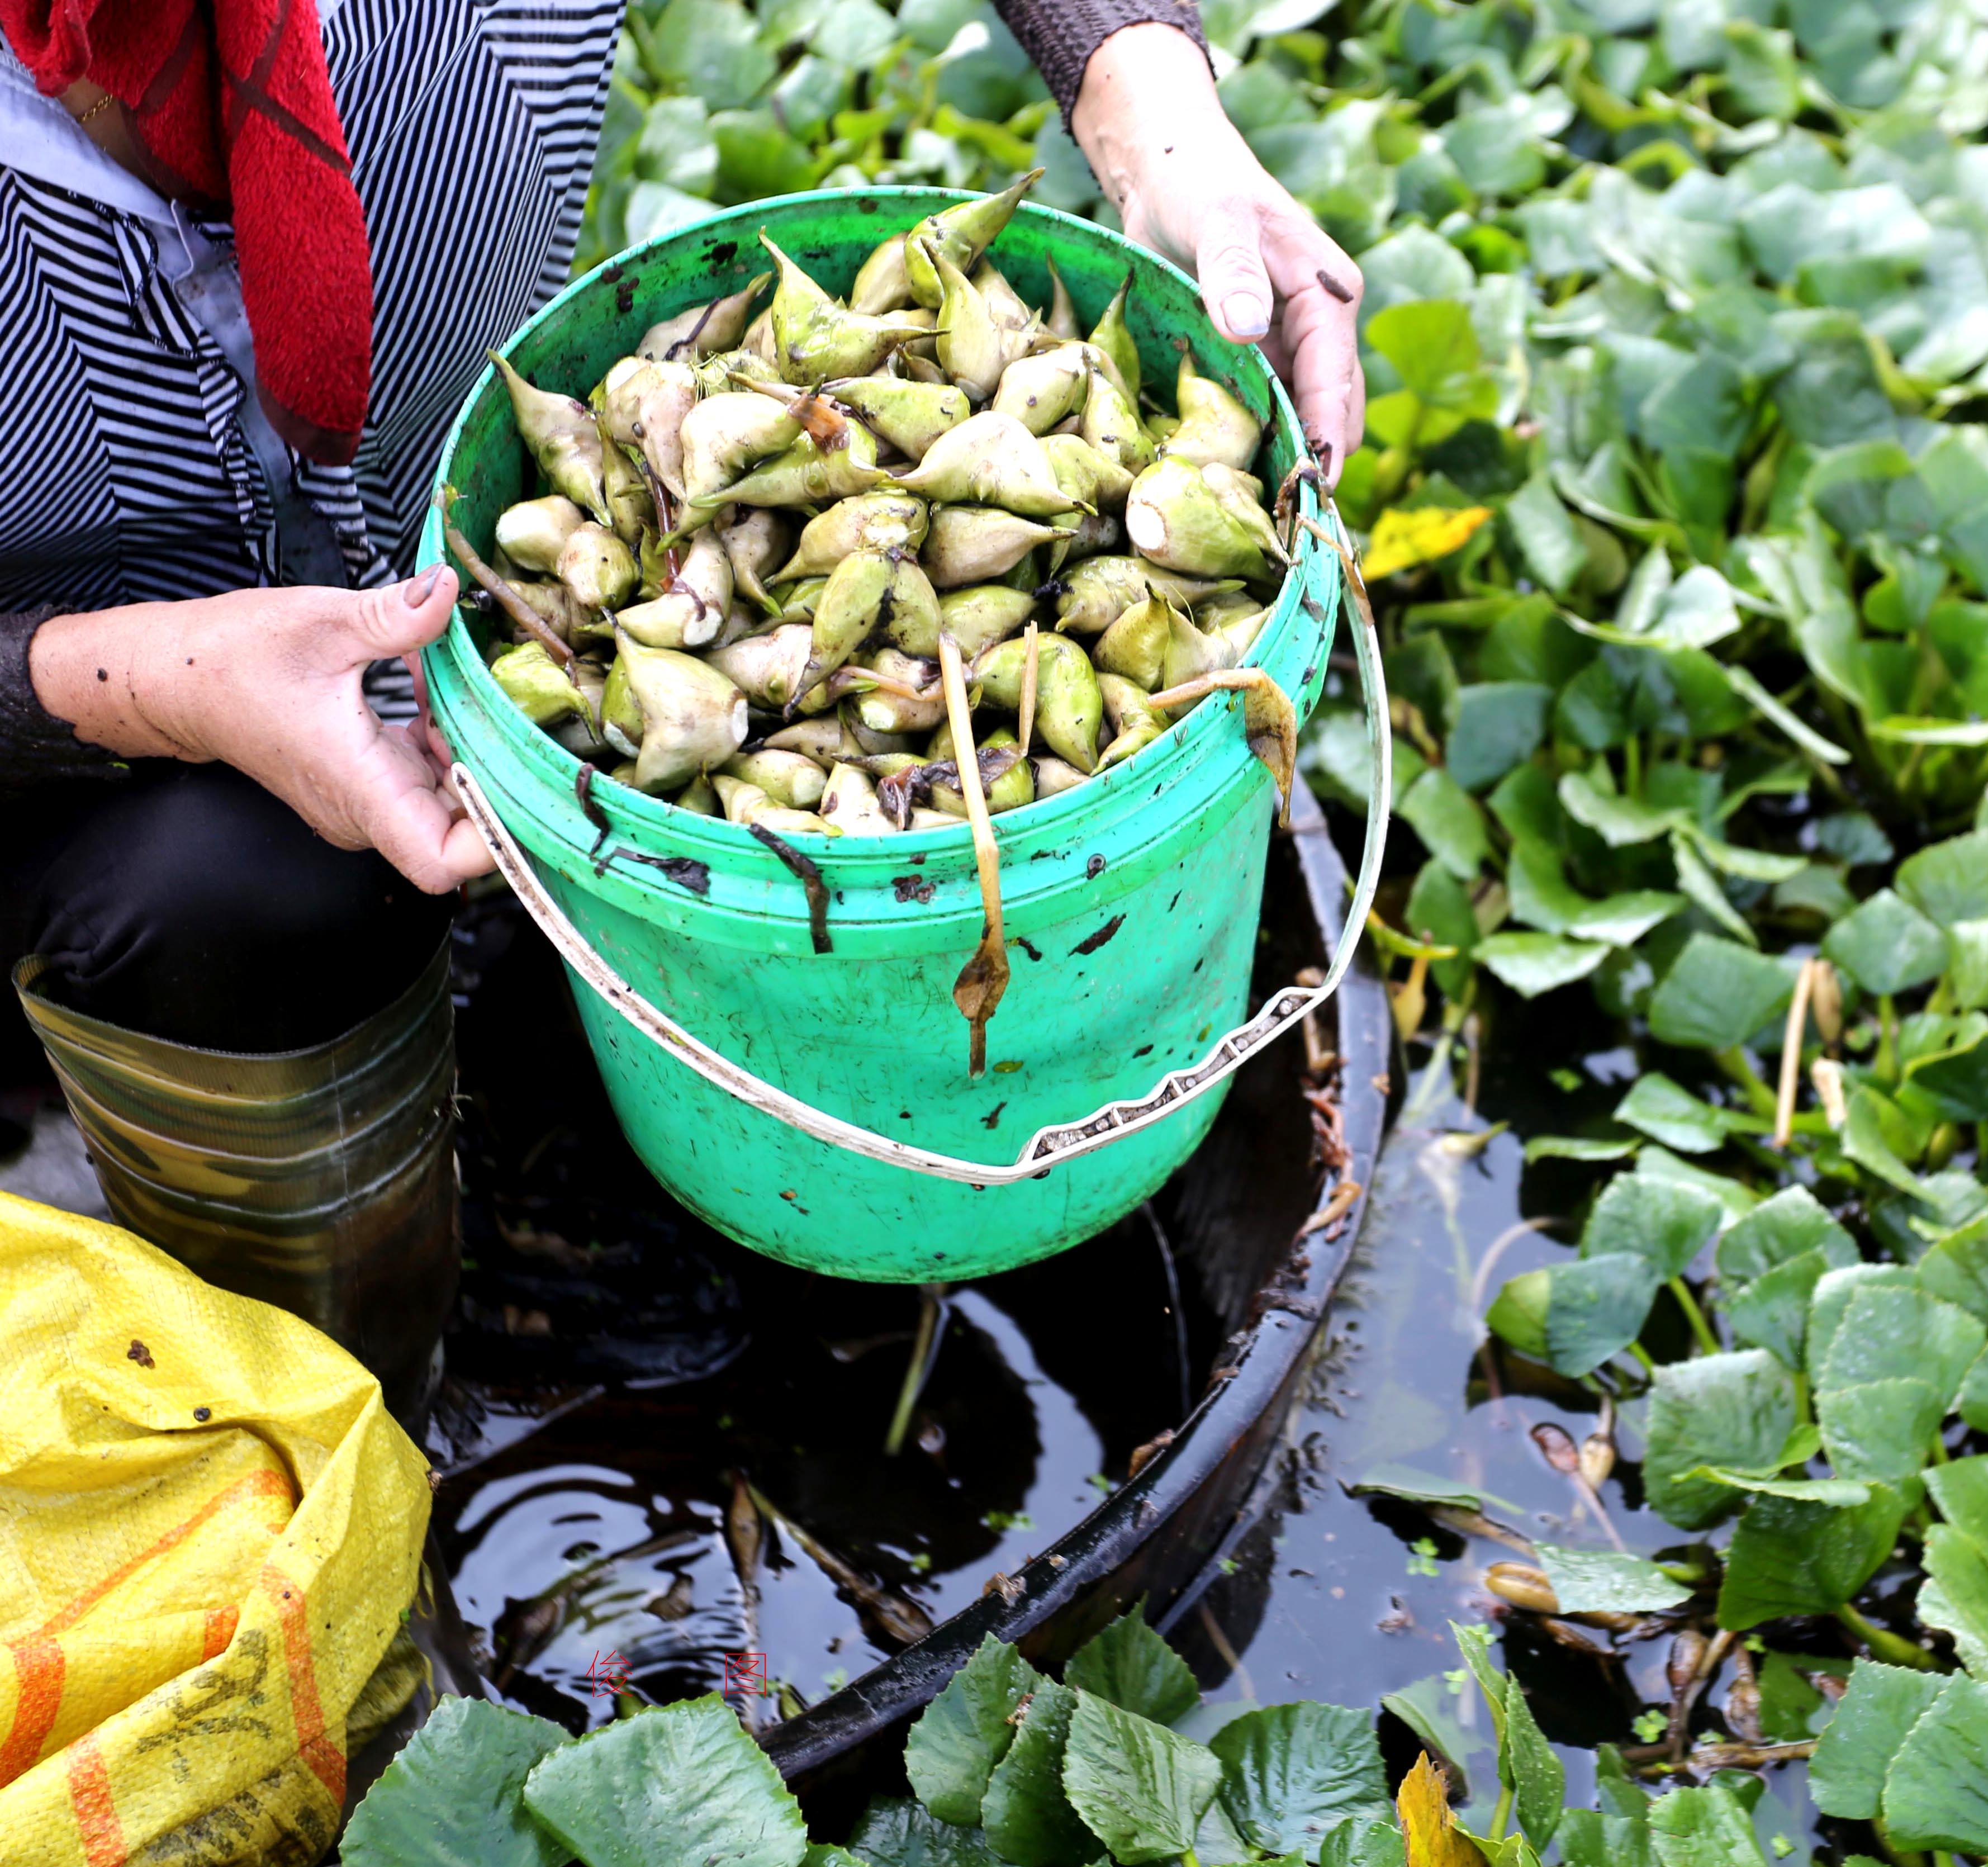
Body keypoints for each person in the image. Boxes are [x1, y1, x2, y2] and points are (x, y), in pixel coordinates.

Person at [0, 0, 1363, 1401]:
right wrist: (153, 688)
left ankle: (521, 1069)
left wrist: (1151, 111)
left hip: (466, 589)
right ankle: (342, 1371)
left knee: (580, 794)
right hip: (46, 730)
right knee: (234, 895)